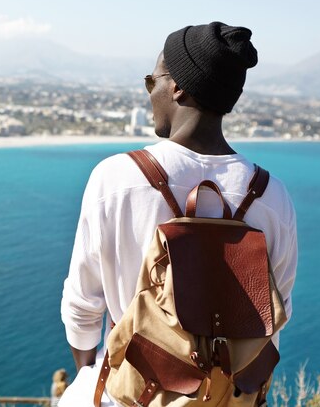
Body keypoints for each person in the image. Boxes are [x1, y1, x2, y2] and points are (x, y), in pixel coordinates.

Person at [59, 22, 298, 406]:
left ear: (177, 86)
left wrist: (89, 373)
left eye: (151, 79)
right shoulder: (272, 196)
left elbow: (83, 306)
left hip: (130, 395)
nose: (150, 91)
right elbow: (274, 316)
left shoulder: (117, 178)